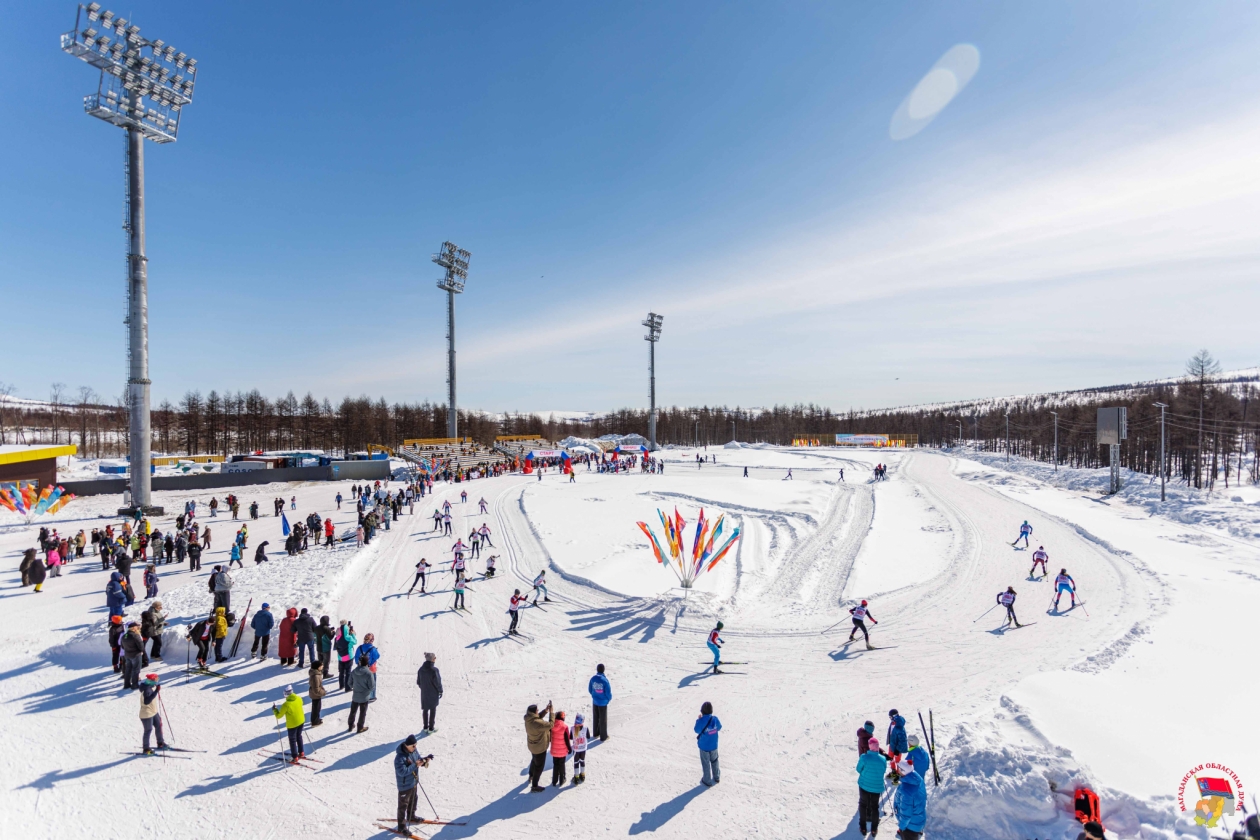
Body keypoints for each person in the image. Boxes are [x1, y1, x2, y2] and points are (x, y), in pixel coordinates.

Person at [394, 734, 433, 833]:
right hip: (404, 786)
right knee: (403, 806)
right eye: (413, 746)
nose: (415, 747)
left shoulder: (414, 751)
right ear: (407, 745)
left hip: (413, 782)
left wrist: (425, 760)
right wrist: (415, 765)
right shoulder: (399, 758)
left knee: (413, 800)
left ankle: (411, 816)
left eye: (416, 745)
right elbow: (402, 772)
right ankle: (401, 826)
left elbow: (418, 760)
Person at [856, 736, 888, 836]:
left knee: (863, 805)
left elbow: (858, 769)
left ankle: (863, 827)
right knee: (875, 807)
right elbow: (883, 770)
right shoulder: (883, 759)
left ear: (870, 746)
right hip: (877, 786)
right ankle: (874, 829)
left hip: (864, 785)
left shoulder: (864, 757)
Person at [893, 758, 927, 839]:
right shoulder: (917, 778)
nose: (897, 770)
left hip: (910, 826)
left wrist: (902, 827)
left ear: (903, 771)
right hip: (918, 819)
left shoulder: (906, 790)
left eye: (898, 768)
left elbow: (906, 814)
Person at [524, 701, 554, 792]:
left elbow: (537, 718)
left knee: (534, 760)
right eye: (537, 710)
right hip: (539, 748)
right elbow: (550, 725)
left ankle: (531, 775)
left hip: (532, 746)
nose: (538, 711)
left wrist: (545, 711)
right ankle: (534, 786)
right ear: (534, 712)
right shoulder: (536, 723)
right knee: (539, 767)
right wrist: (551, 713)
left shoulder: (528, 719)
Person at [272, 685, 307, 761]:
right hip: (301, 721)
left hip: (292, 725)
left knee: (292, 740)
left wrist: (275, 710)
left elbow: (279, 716)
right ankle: (301, 752)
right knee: (299, 736)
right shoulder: (299, 698)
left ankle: (295, 756)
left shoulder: (286, 704)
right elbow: (301, 704)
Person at [138, 673, 168, 754]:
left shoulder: (147, 686)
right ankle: (146, 748)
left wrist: (156, 689)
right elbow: (147, 701)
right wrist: (156, 691)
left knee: (159, 725)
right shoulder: (147, 690)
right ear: (151, 681)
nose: (157, 681)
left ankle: (160, 743)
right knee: (148, 730)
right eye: (155, 680)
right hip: (147, 714)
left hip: (153, 712)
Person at [695, 701, 722, 787]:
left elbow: (696, 730)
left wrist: (699, 720)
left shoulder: (701, 721)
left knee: (705, 763)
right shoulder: (715, 719)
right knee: (715, 761)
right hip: (714, 745)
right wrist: (712, 731)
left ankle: (707, 780)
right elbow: (719, 727)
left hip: (704, 746)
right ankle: (716, 776)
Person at [348, 655, 375, 733]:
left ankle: (350, 725)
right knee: (362, 713)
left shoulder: (354, 671)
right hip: (364, 697)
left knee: (353, 711)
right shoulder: (369, 673)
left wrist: (354, 688)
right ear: (367, 663)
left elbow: (349, 683)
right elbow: (372, 686)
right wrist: (367, 692)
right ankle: (360, 727)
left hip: (355, 695)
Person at [417, 652, 443, 732]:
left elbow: (418, 682)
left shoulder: (421, 670)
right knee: (433, 709)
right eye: (435, 658)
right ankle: (431, 728)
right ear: (432, 659)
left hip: (424, 693)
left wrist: (424, 688)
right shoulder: (434, 670)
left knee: (425, 710)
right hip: (433, 693)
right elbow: (437, 682)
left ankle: (425, 727)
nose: (435, 659)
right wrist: (440, 691)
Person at [588, 664, 612, 741]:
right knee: (603, 719)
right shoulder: (605, 680)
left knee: (596, 717)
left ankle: (596, 733)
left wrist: (594, 695)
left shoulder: (593, 679)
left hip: (595, 701)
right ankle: (603, 736)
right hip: (603, 703)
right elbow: (608, 692)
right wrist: (608, 699)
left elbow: (590, 689)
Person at [120, 621, 145, 690]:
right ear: (133, 628)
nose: (137, 628)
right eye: (136, 627)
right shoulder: (135, 635)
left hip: (127, 655)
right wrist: (141, 651)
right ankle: (134, 684)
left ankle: (126, 684)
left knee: (128, 669)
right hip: (136, 655)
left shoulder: (124, 636)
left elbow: (122, 646)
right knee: (136, 670)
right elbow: (141, 646)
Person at [550, 711, 572, 787]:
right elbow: (567, 739)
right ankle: (562, 780)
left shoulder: (552, 725)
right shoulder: (564, 727)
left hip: (555, 750)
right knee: (562, 764)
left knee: (555, 764)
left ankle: (554, 781)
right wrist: (569, 748)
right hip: (562, 750)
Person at [335, 620, 357, 691]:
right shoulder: (348, 638)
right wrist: (352, 634)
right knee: (348, 672)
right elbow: (355, 642)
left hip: (340, 657)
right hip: (348, 656)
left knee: (341, 672)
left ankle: (341, 685)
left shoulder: (337, 637)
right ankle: (348, 687)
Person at [571, 712, 591, 784]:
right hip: (583, 749)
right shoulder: (585, 728)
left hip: (576, 749)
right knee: (582, 761)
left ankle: (576, 777)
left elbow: (570, 737)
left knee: (576, 762)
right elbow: (588, 736)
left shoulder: (573, 728)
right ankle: (582, 775)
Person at [886, 709, 909, 774]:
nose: (890, 719)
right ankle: (893, 770)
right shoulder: (893, 722)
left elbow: (902, 739)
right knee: (891, 758)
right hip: (892, 744)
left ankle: (899, 772)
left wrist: (898, 749)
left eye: (890, 717)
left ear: (894, 716)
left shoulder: (899, 726)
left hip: (897, 747)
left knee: (897, 760)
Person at [308, 660, 326, 727]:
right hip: (316, 695)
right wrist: (323, 692)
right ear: (318, 667)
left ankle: (315, 719)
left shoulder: (316, 674)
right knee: (316, 708)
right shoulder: (316, 676)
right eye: (321, 665)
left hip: (314, 694)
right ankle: (315, 722)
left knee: (316, 708)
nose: (322, 666)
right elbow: (316, 689)